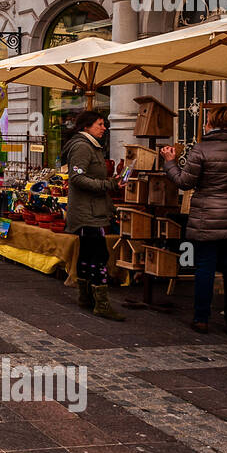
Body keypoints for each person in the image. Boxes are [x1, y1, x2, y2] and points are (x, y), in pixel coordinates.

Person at [162, 105, 227, 335]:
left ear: (213, 123)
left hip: (207, 216)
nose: (205, 124)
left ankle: (201, 319)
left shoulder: (202, 148)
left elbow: (185, 182)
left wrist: (169, 162)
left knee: (205, 266)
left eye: (207, 121)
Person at [63, 111, 124, 321]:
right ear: (87, 126)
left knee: (89, 253)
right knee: (98, 255)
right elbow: (77, 179)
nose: (104, 127)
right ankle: (101, 303)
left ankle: (86, 297)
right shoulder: (82, 146)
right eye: (100, 124)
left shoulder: (91, 146)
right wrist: (109, 184)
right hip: (87, 212)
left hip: (93, 209)